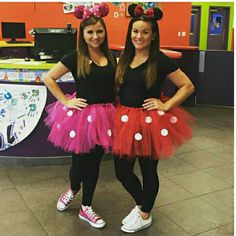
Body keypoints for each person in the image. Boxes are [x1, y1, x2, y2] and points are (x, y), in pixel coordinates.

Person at [112, 4, 195, 233]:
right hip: (125, 119)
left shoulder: (159, 59)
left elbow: (187, 86)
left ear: (153, 35)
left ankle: (145, 214)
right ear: (130, 33)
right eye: (135, 31)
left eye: (145, 32)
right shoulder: (124, 57)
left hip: (150, 122)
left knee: (148, 170)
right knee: (122, 171)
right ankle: (141, 205)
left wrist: (166, 104)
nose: (139, 36)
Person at [44, 3, 116, 229]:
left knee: (94, 163)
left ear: (104, 32)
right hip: (82, 117)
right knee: (78, 163)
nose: (95, 36)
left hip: (105, 116)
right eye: (90, 32)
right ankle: (73, 188)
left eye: (99, 31)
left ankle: (86, 207)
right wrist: (66, 101)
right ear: (82, 34)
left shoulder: (111, 56)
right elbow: (49, 78)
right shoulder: (75, 56)